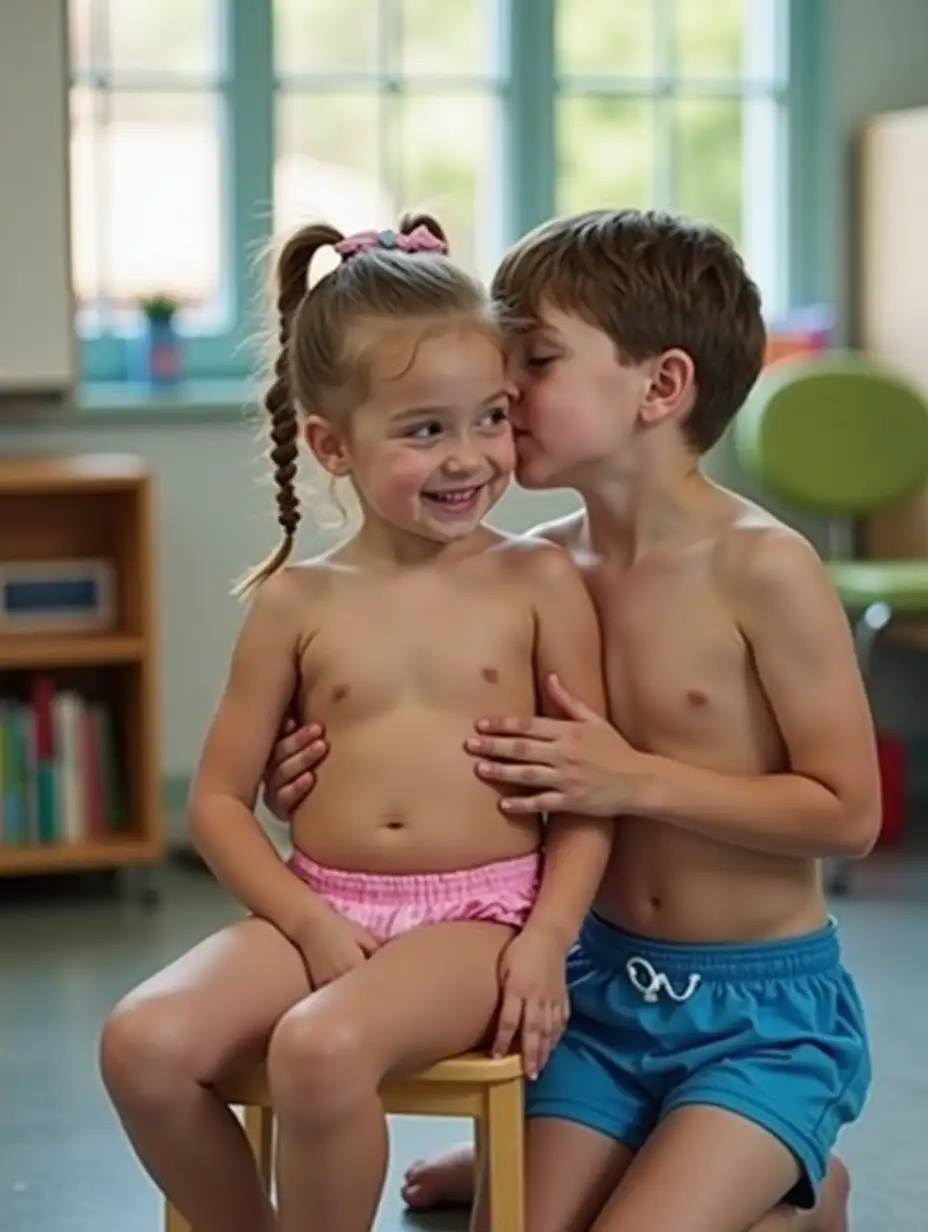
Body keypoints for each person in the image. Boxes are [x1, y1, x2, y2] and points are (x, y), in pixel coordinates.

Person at [263, 208, 878, 1232]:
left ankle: (797, 1183)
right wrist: (324, 768)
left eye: (534, 359)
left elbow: (846, 812)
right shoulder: (538, 567)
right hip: (596, 993)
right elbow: (443, 739)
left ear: (660, 386)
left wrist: (633, 777)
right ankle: (645, 1146)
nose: (504, 388)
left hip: (756, 1016)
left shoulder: (762, 567)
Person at [98, 214, 616, 1232]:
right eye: (425, 429)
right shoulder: (296, 602)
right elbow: (216, 800)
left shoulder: (539, 580)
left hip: (481, 921)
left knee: (319, 1046)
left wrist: (548, 938)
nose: (469, 456)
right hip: (321, 903)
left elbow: (587, 790)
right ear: (332, 443)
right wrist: (305, 919)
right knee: (142, 1041)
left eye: (491, 417)